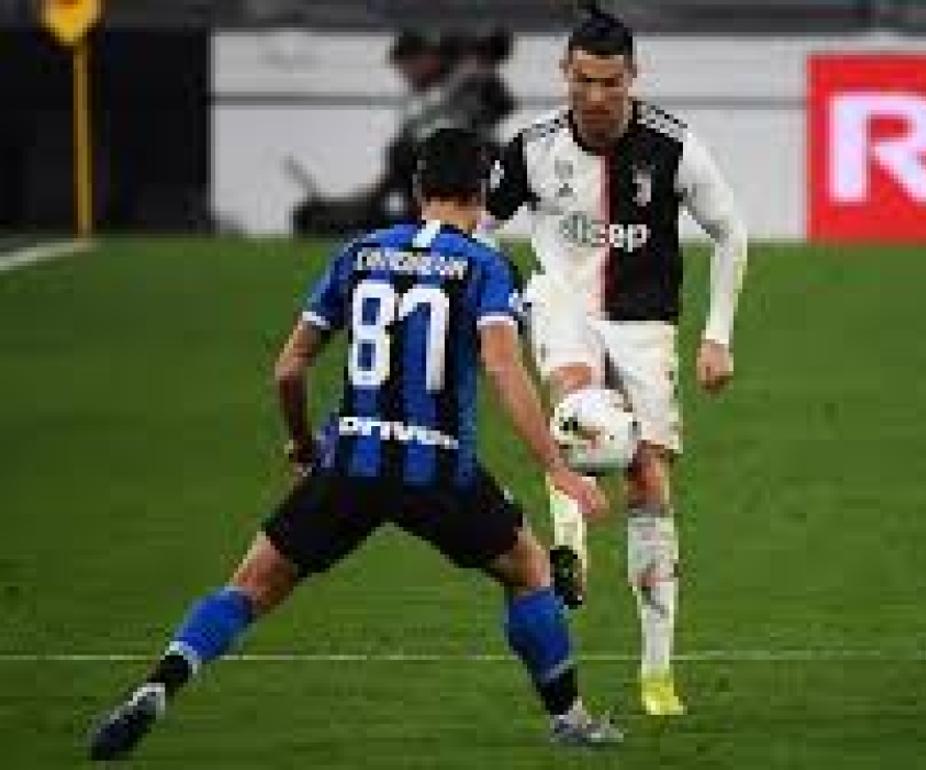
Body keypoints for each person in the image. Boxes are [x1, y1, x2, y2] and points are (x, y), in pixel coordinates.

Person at [87, 128, 623, 762]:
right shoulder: (486, 267)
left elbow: (289, 369)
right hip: (437, 470)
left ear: (418, 188)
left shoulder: (360, 253)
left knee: (249, 586)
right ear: (482, 193)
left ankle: (158, 686)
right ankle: (570, 719)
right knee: (529, 569)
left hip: (348, 463)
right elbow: (504, 369)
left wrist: (302, 444)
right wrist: (557, 467)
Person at [481, 5, 748, 715]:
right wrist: (499, 294)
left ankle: (657, 673)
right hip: (562, 303)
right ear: (563, 73)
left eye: (610, 82)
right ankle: (570, 547)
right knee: (575, 406)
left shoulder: (673, 147)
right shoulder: (532, 148)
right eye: (583, 81)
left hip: (645, 325)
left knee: (648, 479)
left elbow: (731, 230)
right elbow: (479, 229)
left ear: (633, 76)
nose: (595, 97)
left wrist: (717, 336)